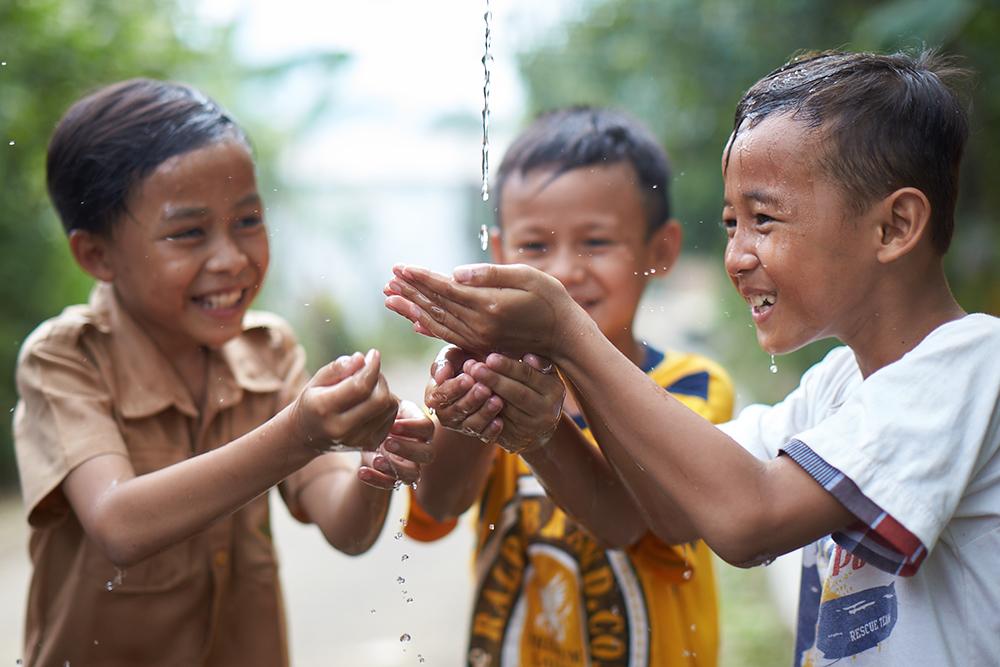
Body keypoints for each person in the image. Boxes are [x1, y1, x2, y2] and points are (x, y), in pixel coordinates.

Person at [384, 50, 1000, 666]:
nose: (736, 256)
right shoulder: (835, 388)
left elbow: (749, 518)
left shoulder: (971, 365)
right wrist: (540, 428)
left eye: (764, 219)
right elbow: (660, 512)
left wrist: (564, 334)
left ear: (894, 227)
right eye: (733, 224)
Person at [12, 78, 433, 667]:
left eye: (248, 220)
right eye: (188, 232)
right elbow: (118, 525)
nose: (232, 259)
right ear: (97, 255)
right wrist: (300, 434)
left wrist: (377, 464)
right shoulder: (65, 359)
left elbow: (347, 530)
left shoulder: (269, 352)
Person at [402, 107, 734, 666]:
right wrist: (470, 401)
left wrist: (539, 431)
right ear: (501, 255)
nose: (563, 273)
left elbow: (626, 523)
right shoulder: (496, 377)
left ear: (661, 251)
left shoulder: (691, 389)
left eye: (596, 242)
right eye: (535, 248)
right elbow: (439, 501)